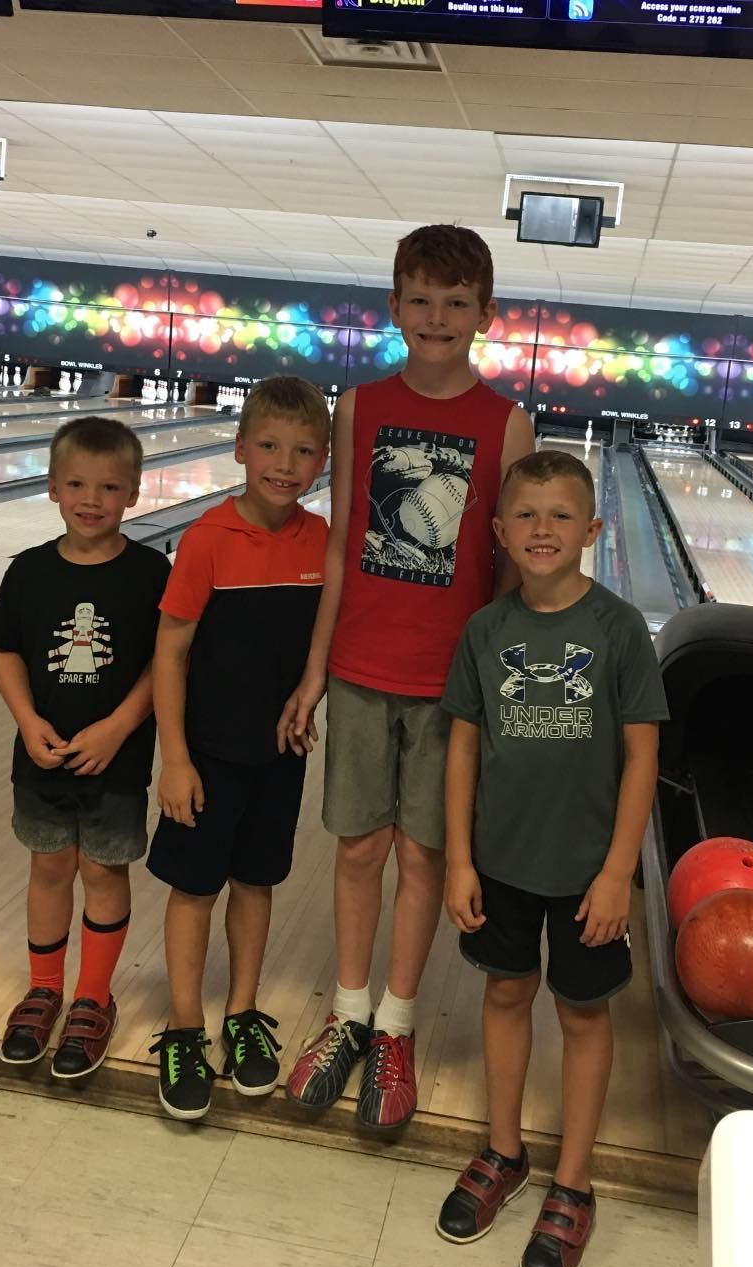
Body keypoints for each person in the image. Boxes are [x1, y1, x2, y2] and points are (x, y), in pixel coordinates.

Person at [278, 224, 536, 1131]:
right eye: (420, 300)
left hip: (449, 685)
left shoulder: (507, 423)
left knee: (424, 854)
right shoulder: (360, 407)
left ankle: (397, 1024)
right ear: (394, 308)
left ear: (484, 316)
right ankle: (348, 1016)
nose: (437, 318)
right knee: (358, 848)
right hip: (356, 668)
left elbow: (506, 575)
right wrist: (314, 670)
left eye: (456, 304)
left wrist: (495, 685)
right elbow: (346, 543)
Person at [436, 450, 668, 1267]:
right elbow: (462, 745)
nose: (542, 529)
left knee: (582, 1014)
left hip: (586, 871)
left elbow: (643, 759)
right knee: (504, 992)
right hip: (500, 861)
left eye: (561, 516)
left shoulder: (616, 631)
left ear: (594, 532)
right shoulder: (486, 630)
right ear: (500, 532)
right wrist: (459, 857)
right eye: (526, 516)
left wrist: (618, 874)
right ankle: (504, 1152)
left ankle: (575, 1181)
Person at [146, 375, 330, 1121]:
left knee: (256, 883)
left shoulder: (322, 542)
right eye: (269, 446)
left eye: (304, 451)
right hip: (209, 754)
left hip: (279, 755)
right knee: (194, 889)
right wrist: (176, 757)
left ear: (322, 462)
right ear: (240, 449)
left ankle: (242, 1013)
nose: (285, 464)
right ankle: (185, 1025)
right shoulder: (207, 541)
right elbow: (170, 652)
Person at [0, 416, 170, 1079]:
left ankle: (92, 997)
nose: (93, 500)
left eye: (110, 487)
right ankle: (44, 989)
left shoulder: (151, 574)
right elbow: (5, 654)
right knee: (50, 868)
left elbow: (164, 664)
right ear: (53, 489)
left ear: (136, 493)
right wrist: (27, 719)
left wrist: (120, 725)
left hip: (116, 762)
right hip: (40, 756)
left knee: (102, 871)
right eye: (78, 485)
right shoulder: (29, 572)